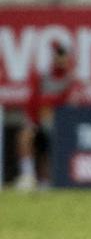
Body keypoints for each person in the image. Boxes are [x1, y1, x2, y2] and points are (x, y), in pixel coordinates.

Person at [12, 42, 77, 191]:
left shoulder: (69, 80)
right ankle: (27, 176)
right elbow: (33, 101)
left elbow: (64, 102)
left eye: (63, 56)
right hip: (38, 123)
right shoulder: (43, 77)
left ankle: (46, 180)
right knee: (25, 136)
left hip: (57, 125)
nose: (60, 60)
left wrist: (47, 102)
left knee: (49, 145)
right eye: (58, 56)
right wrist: (34, 121)